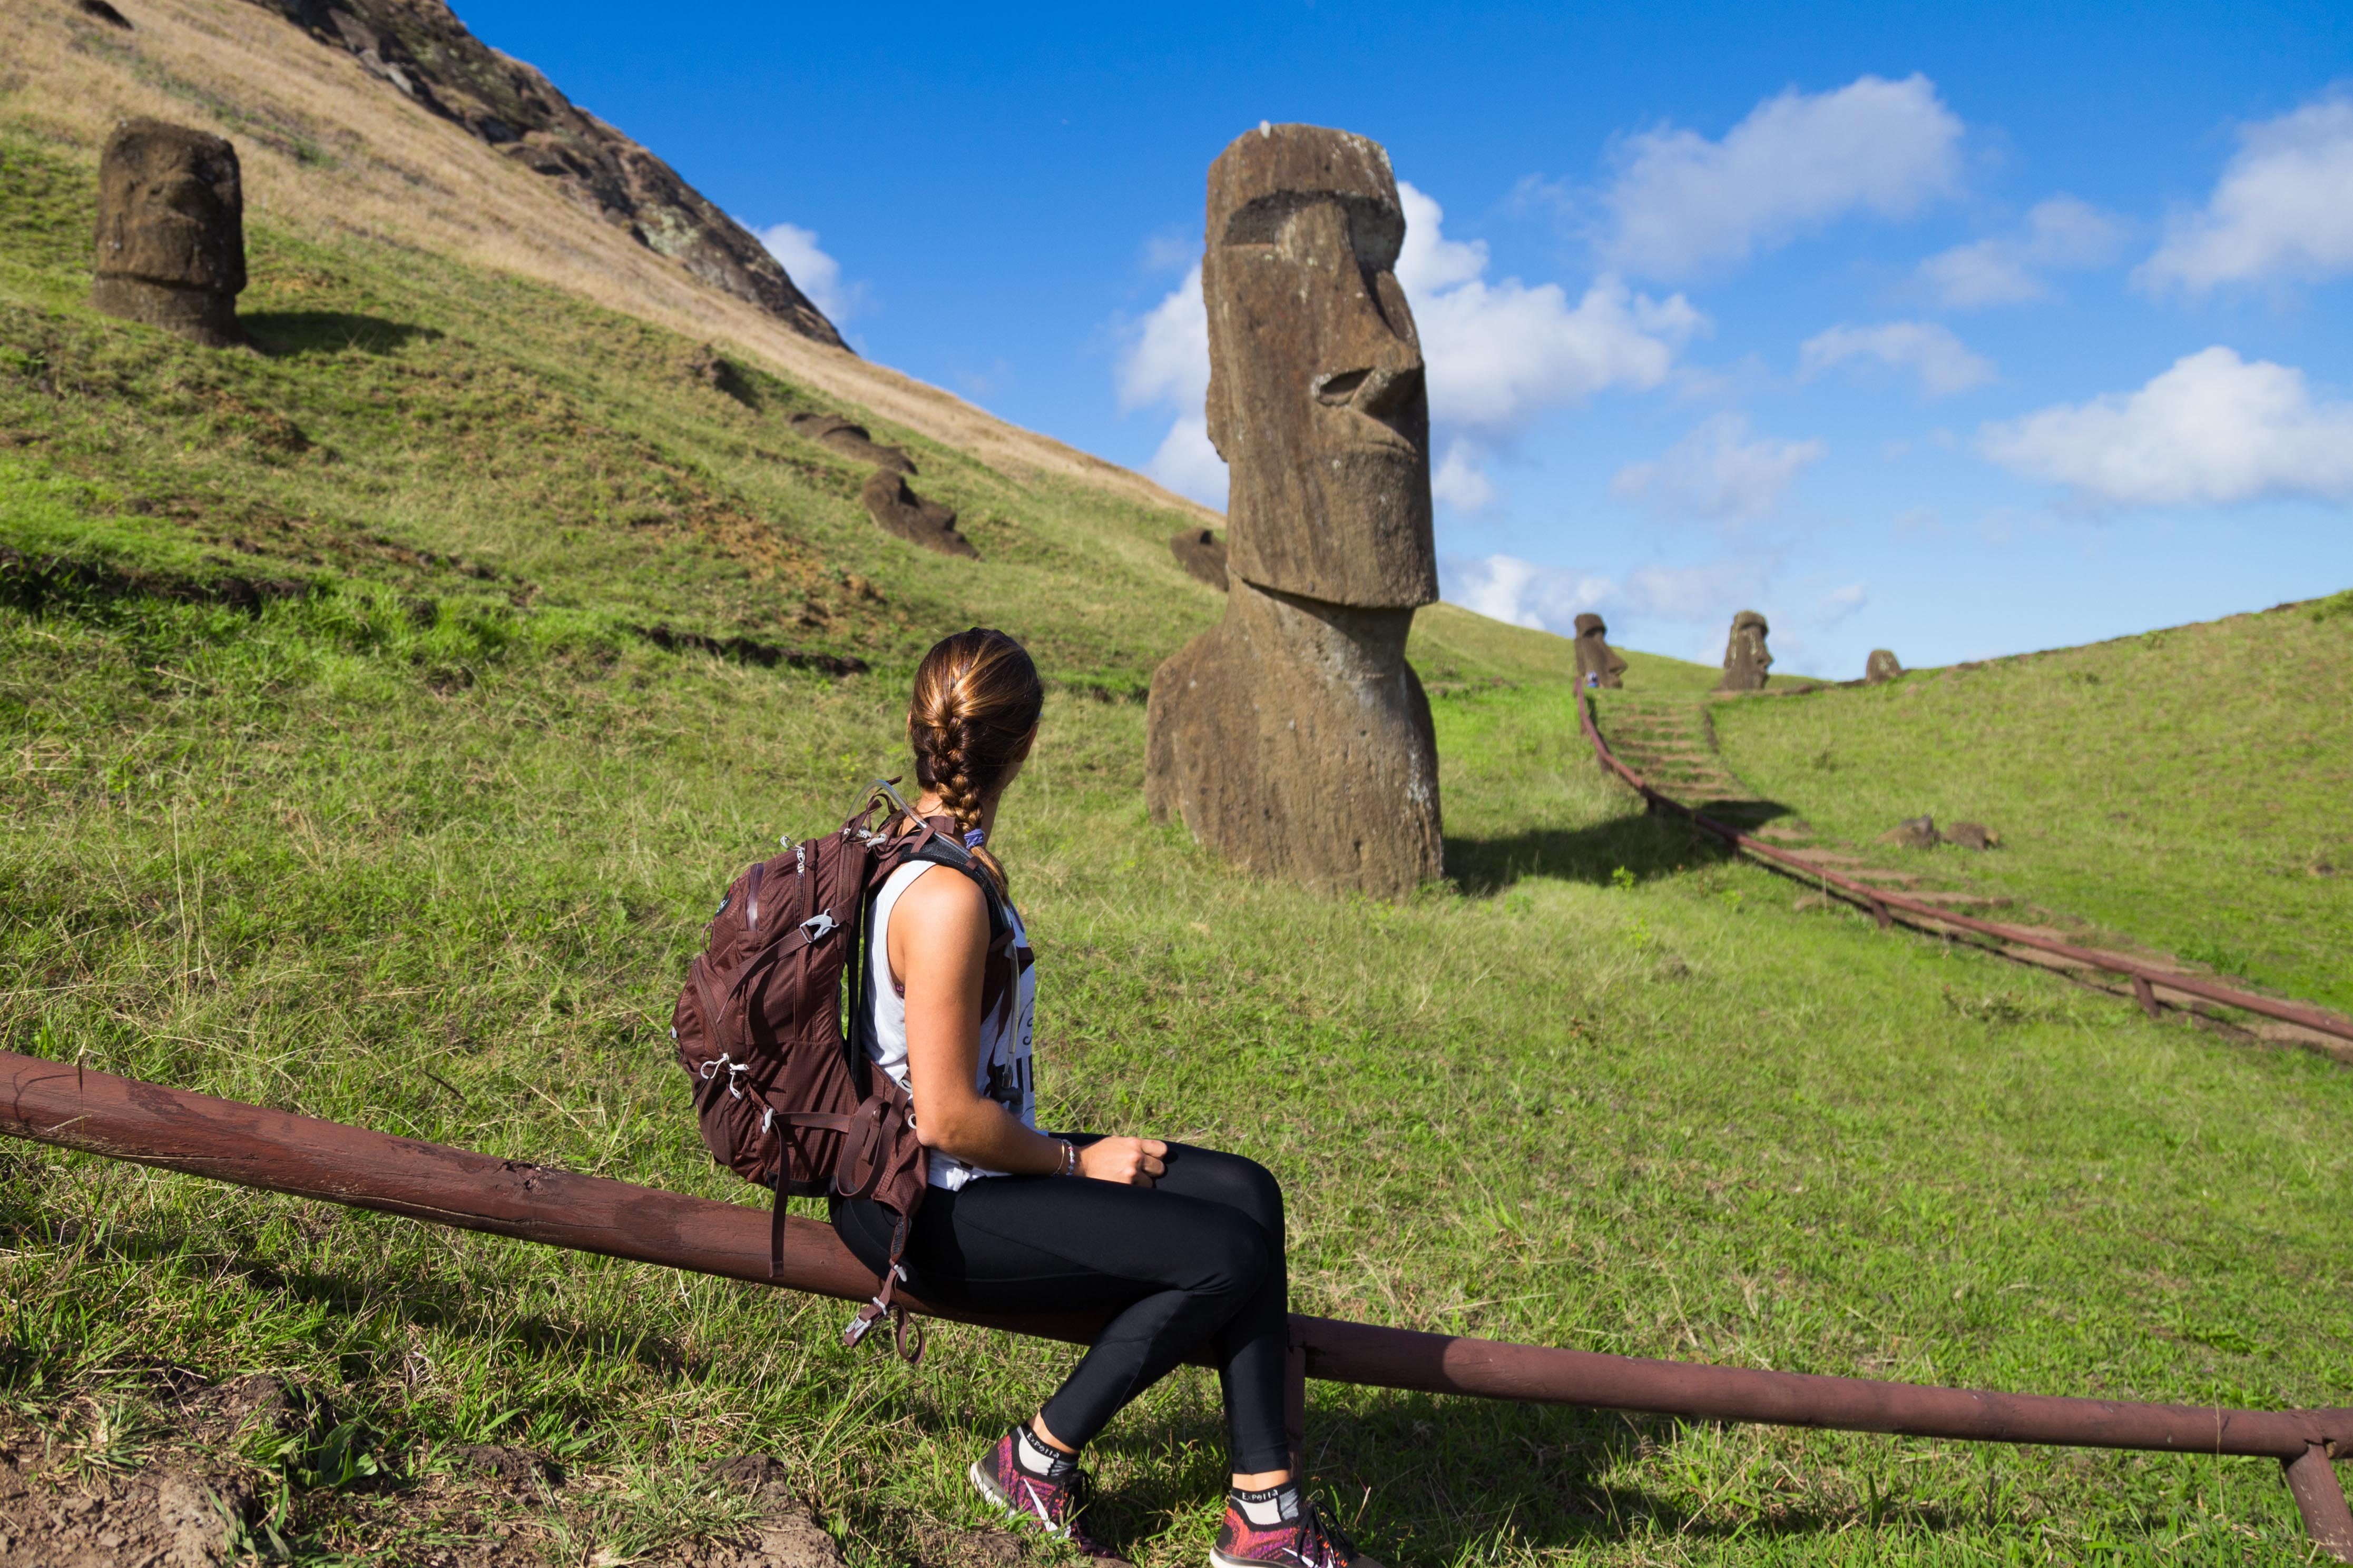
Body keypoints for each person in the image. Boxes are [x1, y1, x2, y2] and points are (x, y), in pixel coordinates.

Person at [830, 627, 1375, 1568]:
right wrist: (1079, 1162)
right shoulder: (945, 895)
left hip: (970, 1172)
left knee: (1247, 1193)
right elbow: (948, 1119)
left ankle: (1266, 1509)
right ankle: (1035, 1458)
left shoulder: (925, 847)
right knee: (1225, 1257)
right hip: (923, 1204)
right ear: (1028, 744)